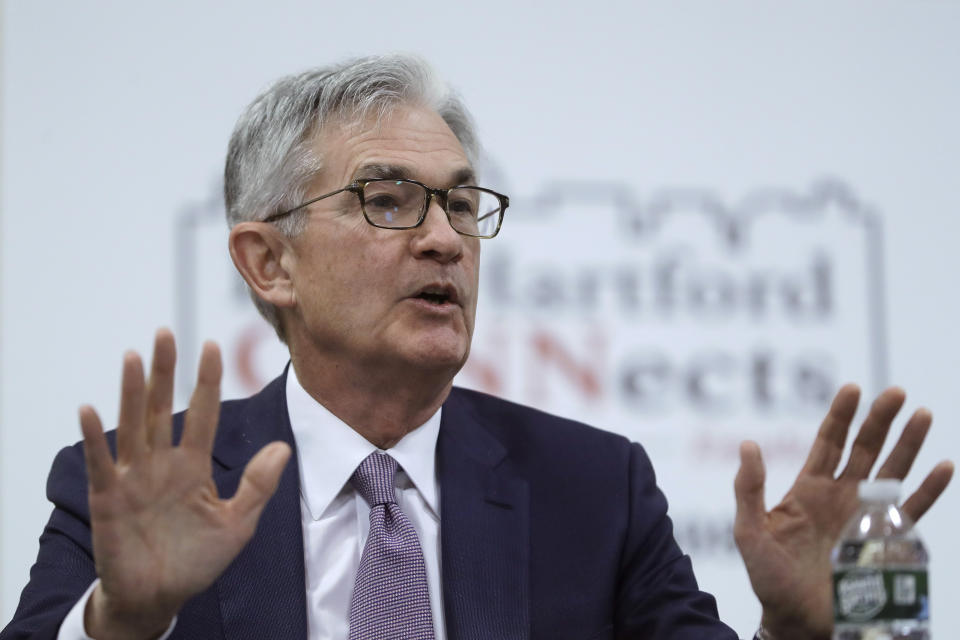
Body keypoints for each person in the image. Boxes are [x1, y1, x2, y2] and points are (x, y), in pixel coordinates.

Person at [1, 54, 953, 640]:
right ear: (268, 261)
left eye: (461, 203)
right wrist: (123, 626)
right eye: (387, 200)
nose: (445, 239)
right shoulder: (137, 485)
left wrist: (794, 634)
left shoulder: (596, 488)